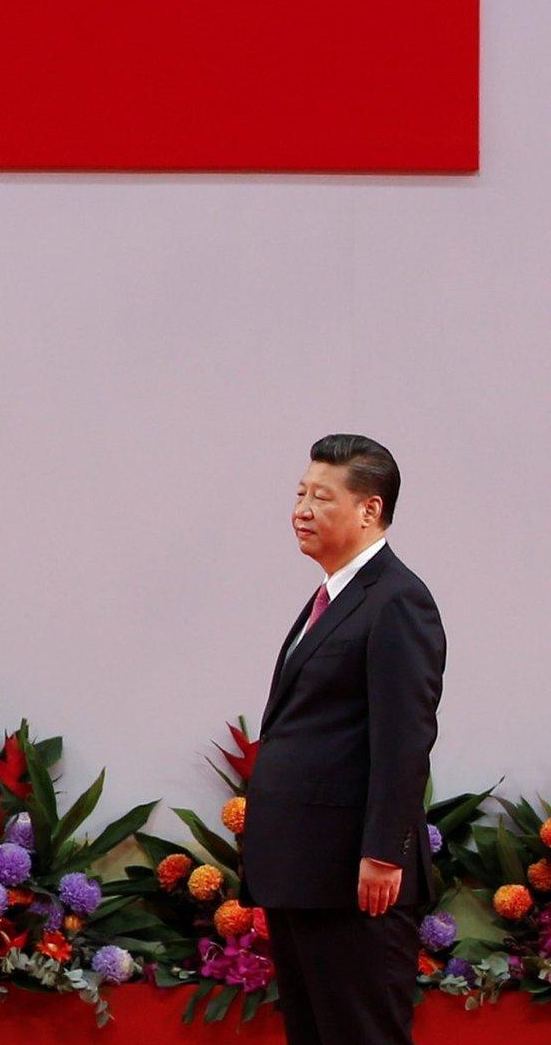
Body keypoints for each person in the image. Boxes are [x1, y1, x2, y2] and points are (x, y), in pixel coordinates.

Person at [244, 435, 445, 1045]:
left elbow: (404, 738)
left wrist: (384, 851)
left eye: (321, 497)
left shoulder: (396, 600)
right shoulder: (332, 596)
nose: (302, 508)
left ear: (369, 510)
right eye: (300, 493)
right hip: (306, 872)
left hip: (357, 882)